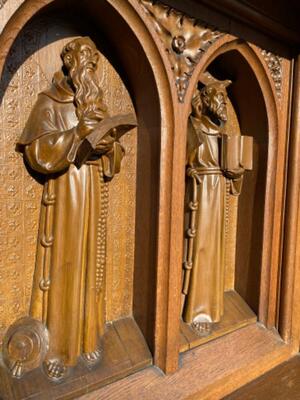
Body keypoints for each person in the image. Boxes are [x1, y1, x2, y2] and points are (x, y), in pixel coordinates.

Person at [16, 37, 125, 380]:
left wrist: (109, 147)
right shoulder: (49, 102)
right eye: (83, 62)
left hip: (92, 189)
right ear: (70, 64)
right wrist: (76, 133)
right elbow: (37, 150)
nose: (88, 69)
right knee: (66, 266)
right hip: (66, 192)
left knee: (91, 264)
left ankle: (87, 335)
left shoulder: (97, 105)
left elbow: (115, 157)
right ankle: (59, 347)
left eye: (93, 63)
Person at [182, 77, 244, 335]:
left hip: (217, 196)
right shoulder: (193, 127)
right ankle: (198, 309)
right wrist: (190, 173)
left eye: (224, 99)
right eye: (218, 98)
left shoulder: (224, 135)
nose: (222, 104)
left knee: (215, 250)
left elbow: (233, 172)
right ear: (205, 101)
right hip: (201, 196)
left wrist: (236, 171)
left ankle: (213, 305)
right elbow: (183, 162)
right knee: (201, 250)